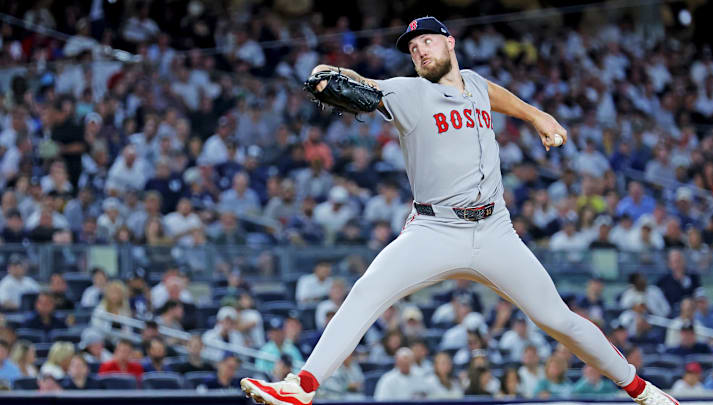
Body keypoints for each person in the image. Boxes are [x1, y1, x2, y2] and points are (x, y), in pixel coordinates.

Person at [240, 16, 676, 405]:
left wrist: (534, 114)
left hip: (495, 232)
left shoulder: (475, 82)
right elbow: (358, 83)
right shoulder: (409, 93)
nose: (418, 51)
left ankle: (644, 392)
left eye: (425, 42)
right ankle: (303, 386)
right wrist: (323, 75)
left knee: (558, 319)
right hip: (435, 229)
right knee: (368, 290)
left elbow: (493, 94)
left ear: (449, 43)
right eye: (412, 49)